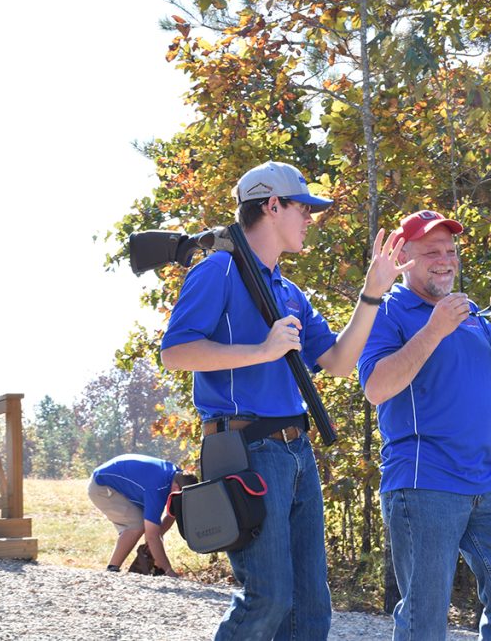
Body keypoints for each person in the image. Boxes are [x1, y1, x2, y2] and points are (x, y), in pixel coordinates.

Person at [159, 160, 411, 640]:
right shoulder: (217, 271)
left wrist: (372, 294)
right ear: (272, 206)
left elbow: (337, 361)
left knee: (311, 608)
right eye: (303, 208)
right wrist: (262, 350)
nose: (310, 218)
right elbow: (175, 352)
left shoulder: (289, 291)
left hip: (297, 451)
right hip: (246, 451)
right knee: (269, 598)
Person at [357, 210, 491, 640]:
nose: (445, 259)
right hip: (424, 484)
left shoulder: (471, 313)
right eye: (431, 252)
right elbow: (377, 387)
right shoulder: (386, 311)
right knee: (424, 618)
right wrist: (435, 329)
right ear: (402, 258)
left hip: (483, 483)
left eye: (451, 250)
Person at [88, 453, 185, 577]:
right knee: (136, 525)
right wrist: (169, 571)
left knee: (152, 530)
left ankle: (156, 568)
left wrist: (156, 540)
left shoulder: (177, 475)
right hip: (101, 486)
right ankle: (112, 570)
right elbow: (152, 535)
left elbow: (172, 513)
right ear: (176, 487)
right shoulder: (157, 488)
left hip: (123, 483)